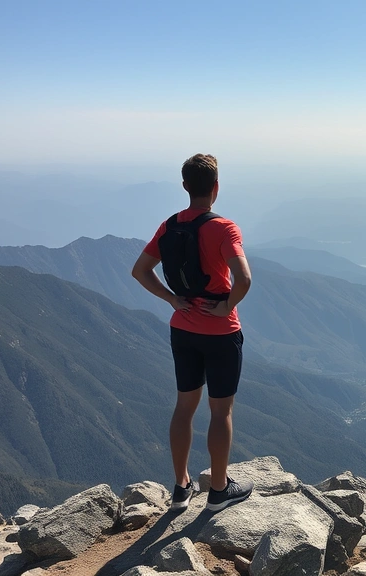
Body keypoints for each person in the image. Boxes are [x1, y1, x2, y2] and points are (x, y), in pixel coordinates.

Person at [131, 153, 254, 512]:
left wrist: (172, 299)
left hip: (182, 329)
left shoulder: (169, 226)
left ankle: (181, 488)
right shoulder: (224, 228)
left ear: (185, 186)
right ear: (216, 188)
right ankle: (218, 490)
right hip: (220, 332)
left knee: (184, 407)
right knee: (221, 412)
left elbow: (140, 270)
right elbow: (244, 279)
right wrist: (227, 305)